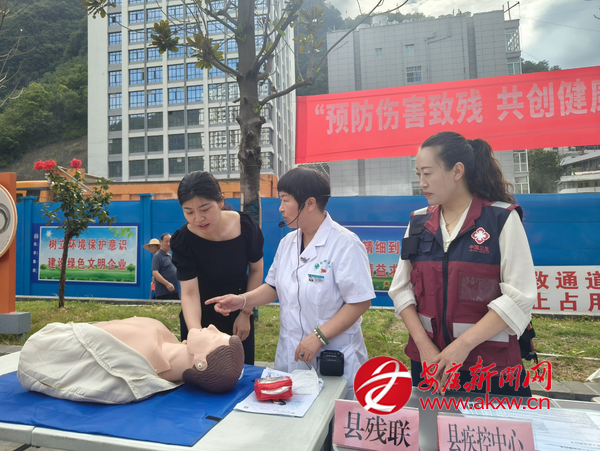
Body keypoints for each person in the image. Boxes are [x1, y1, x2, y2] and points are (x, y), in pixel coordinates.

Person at [388, 131, 536, 397]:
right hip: (431, 366)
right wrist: (424, 347)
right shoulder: (418, 223)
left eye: (427, 173)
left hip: (490, 368)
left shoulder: (501, 219)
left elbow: (518, 298)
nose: (422, 183)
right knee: (432, 424)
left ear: (457, 171)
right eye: (418, 174)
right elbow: (401, 290)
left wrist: (462, 346)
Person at [206, 167, 374, 397]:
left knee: (331, 414)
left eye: (285, 200)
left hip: (334, 356)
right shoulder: (287, 243)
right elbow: (273, 287)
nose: (281, 208)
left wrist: (319, 336)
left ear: (310, 203)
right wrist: (242, 300)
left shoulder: (345, 244)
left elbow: (360, 301)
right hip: (291, 354)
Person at [17, 318, 245, 404]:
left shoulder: (135, 367)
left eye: (216, 337)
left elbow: (41, 352)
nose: (212, 327)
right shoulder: (165, 338)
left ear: (200, 363)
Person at [170, 171, 264, 365]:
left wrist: (246, 313)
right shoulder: (184, 240)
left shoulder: (245, 226)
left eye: (205, 209)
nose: (198, 218)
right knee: (201, 374)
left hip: (238, 315)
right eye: (189, 212)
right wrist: (196, 334)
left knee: (241, 373)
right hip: (198, 318)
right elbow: (189, 293)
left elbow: (256, 270)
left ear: (221, 201)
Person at [152, 233, 180, 300]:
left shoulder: (171, 255)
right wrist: (167, 284)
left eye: (170, 241)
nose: (168, 244)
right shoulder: (158, 256)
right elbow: (155, 273)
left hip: (174, 291)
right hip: (164, 293)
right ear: (161, 242)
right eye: (166, 241)